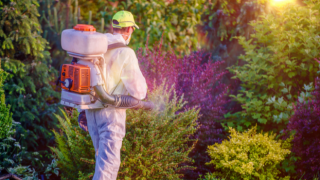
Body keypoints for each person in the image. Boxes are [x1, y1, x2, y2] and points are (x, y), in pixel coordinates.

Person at [85, 10, 147, 180]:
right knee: (108, 168)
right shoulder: (125, 53)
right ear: (128, 30)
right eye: (132, 29)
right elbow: (139, 92)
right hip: (111, 114)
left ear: (113, 27)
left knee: (101, 161)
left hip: (90, 111)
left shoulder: (95, 48)